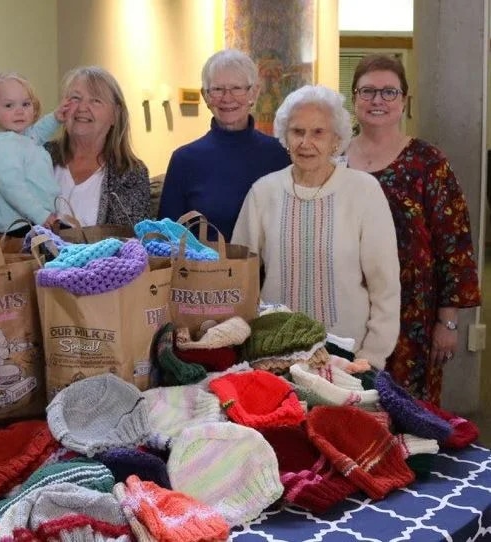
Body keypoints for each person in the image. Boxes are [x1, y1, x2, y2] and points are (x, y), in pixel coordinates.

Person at [232, 85, 401, 370]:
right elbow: (239, 279)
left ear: (336, 139)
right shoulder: (263, 192)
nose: (305, 142)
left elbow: (385, 286)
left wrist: (371, 356)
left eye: (318, 132)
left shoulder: (364, 191)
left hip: (348, 355)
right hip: (275, 355)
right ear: (285, 136)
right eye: (297, 132)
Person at [345, 54, 480, 404]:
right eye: (368, 91)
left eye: (389, 92)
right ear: (353, 98)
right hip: (348, 305)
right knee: (349, 405)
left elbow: (455, 246)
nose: (378, 100)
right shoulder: (334, 159)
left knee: (410, 413)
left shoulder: (428, 162)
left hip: (413, 316)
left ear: (404, 100)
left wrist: (447, 323)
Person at [158, 49, 290, 241]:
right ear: (205, 96)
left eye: (237, 88)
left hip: (270, 270)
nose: (227, 98)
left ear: (254, 92)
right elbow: (166, 238)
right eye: (218, 89)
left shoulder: (280, 154)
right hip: (204, 270)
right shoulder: (184, 160)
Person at [0, 72, 73, 237]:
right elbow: (12, 188)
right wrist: (41, 215)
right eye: (9, 106)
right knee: (69, 242)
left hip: (30, 219)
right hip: (16, 225)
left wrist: (55, 118)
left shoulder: (21, 137)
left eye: (25, 104)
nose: (19, 111)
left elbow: (37, 133)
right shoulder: (2, 147)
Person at [47, 66, 150, 228]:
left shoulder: (131, 174)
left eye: (95, 100)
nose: (82, 108)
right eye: (75, 98)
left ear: (115, 115)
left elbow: (128, 240)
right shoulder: (41, 155)